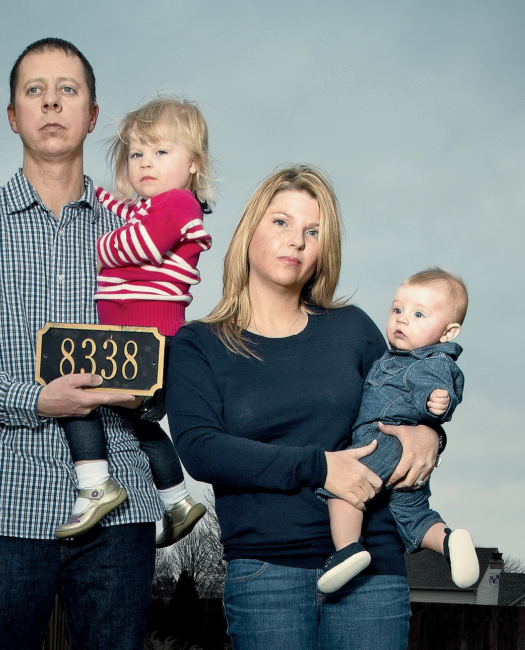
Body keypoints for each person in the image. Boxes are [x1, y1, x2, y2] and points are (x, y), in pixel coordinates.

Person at [0, 38, 162, 650]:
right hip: (5, 499)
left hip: (122, 501)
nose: (51, 103)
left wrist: (148, 393)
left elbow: (165, 338)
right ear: (12, 115)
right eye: (35, 91)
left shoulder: (136, 230)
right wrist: (34, 400)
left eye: (68, 90)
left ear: (94, 115)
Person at [166, 164, 442, 649]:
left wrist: (430, 436)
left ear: (321, 252)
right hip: (265, 570)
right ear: (249, 229)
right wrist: (319, 469)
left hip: (372, 565)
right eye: (281, 222)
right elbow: (200, 448)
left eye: (312, 231)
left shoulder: (353, 329)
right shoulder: (198, 344)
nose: (296, 240)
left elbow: (408, 403)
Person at [55, 97, 213, 547]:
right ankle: (178, 501)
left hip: (146, 340)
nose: (146, 163)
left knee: (76, 396)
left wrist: (95, 248)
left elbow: (142, 244)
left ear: (193, 164)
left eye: (161, 153)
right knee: (139, 424)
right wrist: (86, 191)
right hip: (137, 341)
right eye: (137, 153)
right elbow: (120, 208)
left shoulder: (180, 204)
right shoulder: (150, 205)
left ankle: (95, 485)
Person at [316, 268, 479, 594]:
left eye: (418, 314)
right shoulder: (396, 356)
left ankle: (347, 549)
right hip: (403, 456)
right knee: (411, 514)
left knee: (344, 487)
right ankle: (448, 541)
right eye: (397, 310)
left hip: (383, 441)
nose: (403, 320)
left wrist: (436, 403)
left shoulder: (429, 362)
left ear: (448, 333)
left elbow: (438, 388)